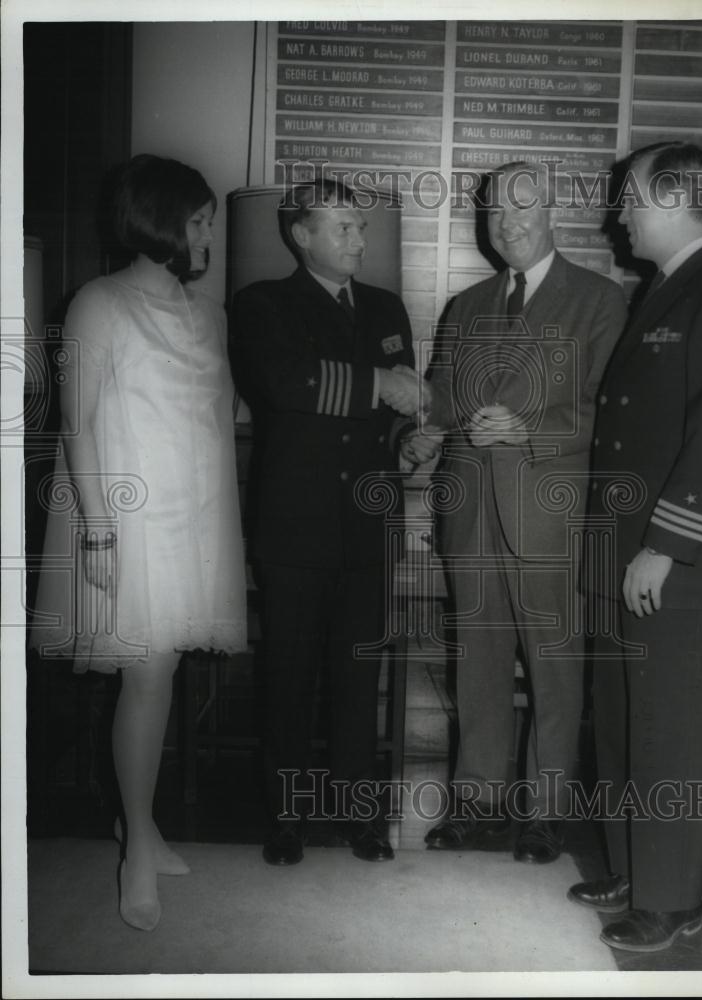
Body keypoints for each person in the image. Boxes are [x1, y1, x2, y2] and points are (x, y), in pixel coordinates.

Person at [30, 154, 248, 931]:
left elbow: (211, 420)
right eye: (196, 222)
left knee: (165, 674)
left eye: (208, 223)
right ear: (157, 222)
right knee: (147, 677)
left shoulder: (207, 312)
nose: (205, 236)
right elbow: (78, 423)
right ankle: (134, 850)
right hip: (129, 522)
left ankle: (142, 825)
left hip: (196, 520)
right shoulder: (98, 303)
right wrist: (96, 529)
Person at [567, 142, 702, 953]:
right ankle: (629, 869)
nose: (618, 214)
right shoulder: (658, 291)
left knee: (669, 734)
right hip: (619, 552)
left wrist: (662, 546)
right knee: (620, 724)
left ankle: (672, 898)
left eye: (629, 198)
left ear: (675, 198)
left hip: (667, 561)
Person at [412, 161, 627, 862]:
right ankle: (474, 803)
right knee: (476, 664)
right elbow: (442, 403)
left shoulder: (599, 300)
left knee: (553, 671)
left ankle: (545, 813)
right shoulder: (466, 306)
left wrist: (529, 430)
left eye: (521, 209)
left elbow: (612, 417)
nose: (506, 224)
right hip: (470, 512)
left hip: (550, 515)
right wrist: (419, 431)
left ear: (551, 210)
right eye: (493, 212)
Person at [231, 179, 427, 867]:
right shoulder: (262, 304)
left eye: (360, 227)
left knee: (356, 677)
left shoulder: (384, 306)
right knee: (288, 678)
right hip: (295, 526)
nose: (358, 240)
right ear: (300, 234)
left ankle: (355, 815)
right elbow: (286, 383)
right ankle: (286, 815)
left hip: (367, 524)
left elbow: (400, 413)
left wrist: (411, 440)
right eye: (341, 227)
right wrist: (380, 385)